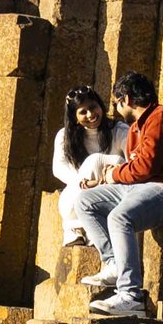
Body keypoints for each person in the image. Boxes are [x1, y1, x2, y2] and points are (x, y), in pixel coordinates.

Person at [70, 71, 163, 318]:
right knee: (85, 201)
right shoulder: (135, 129)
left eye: (116, 102)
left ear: (127, 99)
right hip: (145, 187)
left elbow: (144, 168)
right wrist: (112, 176)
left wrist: (113, 175)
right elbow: (135, 170)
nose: (115, 108)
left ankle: (130, 297)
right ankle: (114, 263)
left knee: (120, 217)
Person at [50, 87, 120, 245]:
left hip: (112, 185)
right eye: (83, 112)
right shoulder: (64, 136)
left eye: (93, 107)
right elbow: (59, 168)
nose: (90, 115)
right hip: (81, 187)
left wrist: (107, 177)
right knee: (69, 196)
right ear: (74, 117)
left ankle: (85, 228)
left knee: (96, 161)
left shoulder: (118, 130)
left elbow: (132, 159)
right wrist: (84, 182)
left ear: (100, 106)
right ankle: (78, 228)